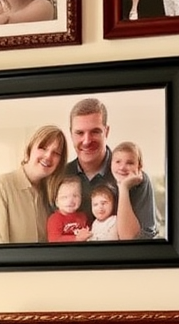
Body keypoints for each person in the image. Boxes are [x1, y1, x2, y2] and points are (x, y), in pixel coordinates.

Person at [63, 100, 157, 240]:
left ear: (106, 131)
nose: (87, 140)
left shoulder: (136, 178)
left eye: (95, 131)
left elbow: (141, 241)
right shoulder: (60, 176)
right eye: (79, 133)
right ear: (71, 134)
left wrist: (123, 187)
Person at [0, 124, 67, 244]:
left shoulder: (52, 196)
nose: (48, 156)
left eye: (56, 153)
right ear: (30, 149)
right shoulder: (2, 186)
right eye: (43, 148)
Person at [46, 175, 91, 243]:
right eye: (64, 197)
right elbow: (54, 239)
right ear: (57, 202)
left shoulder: (83, 216)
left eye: (75, 196)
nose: (70, 201)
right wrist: (76, 239)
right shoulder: (55, 219)